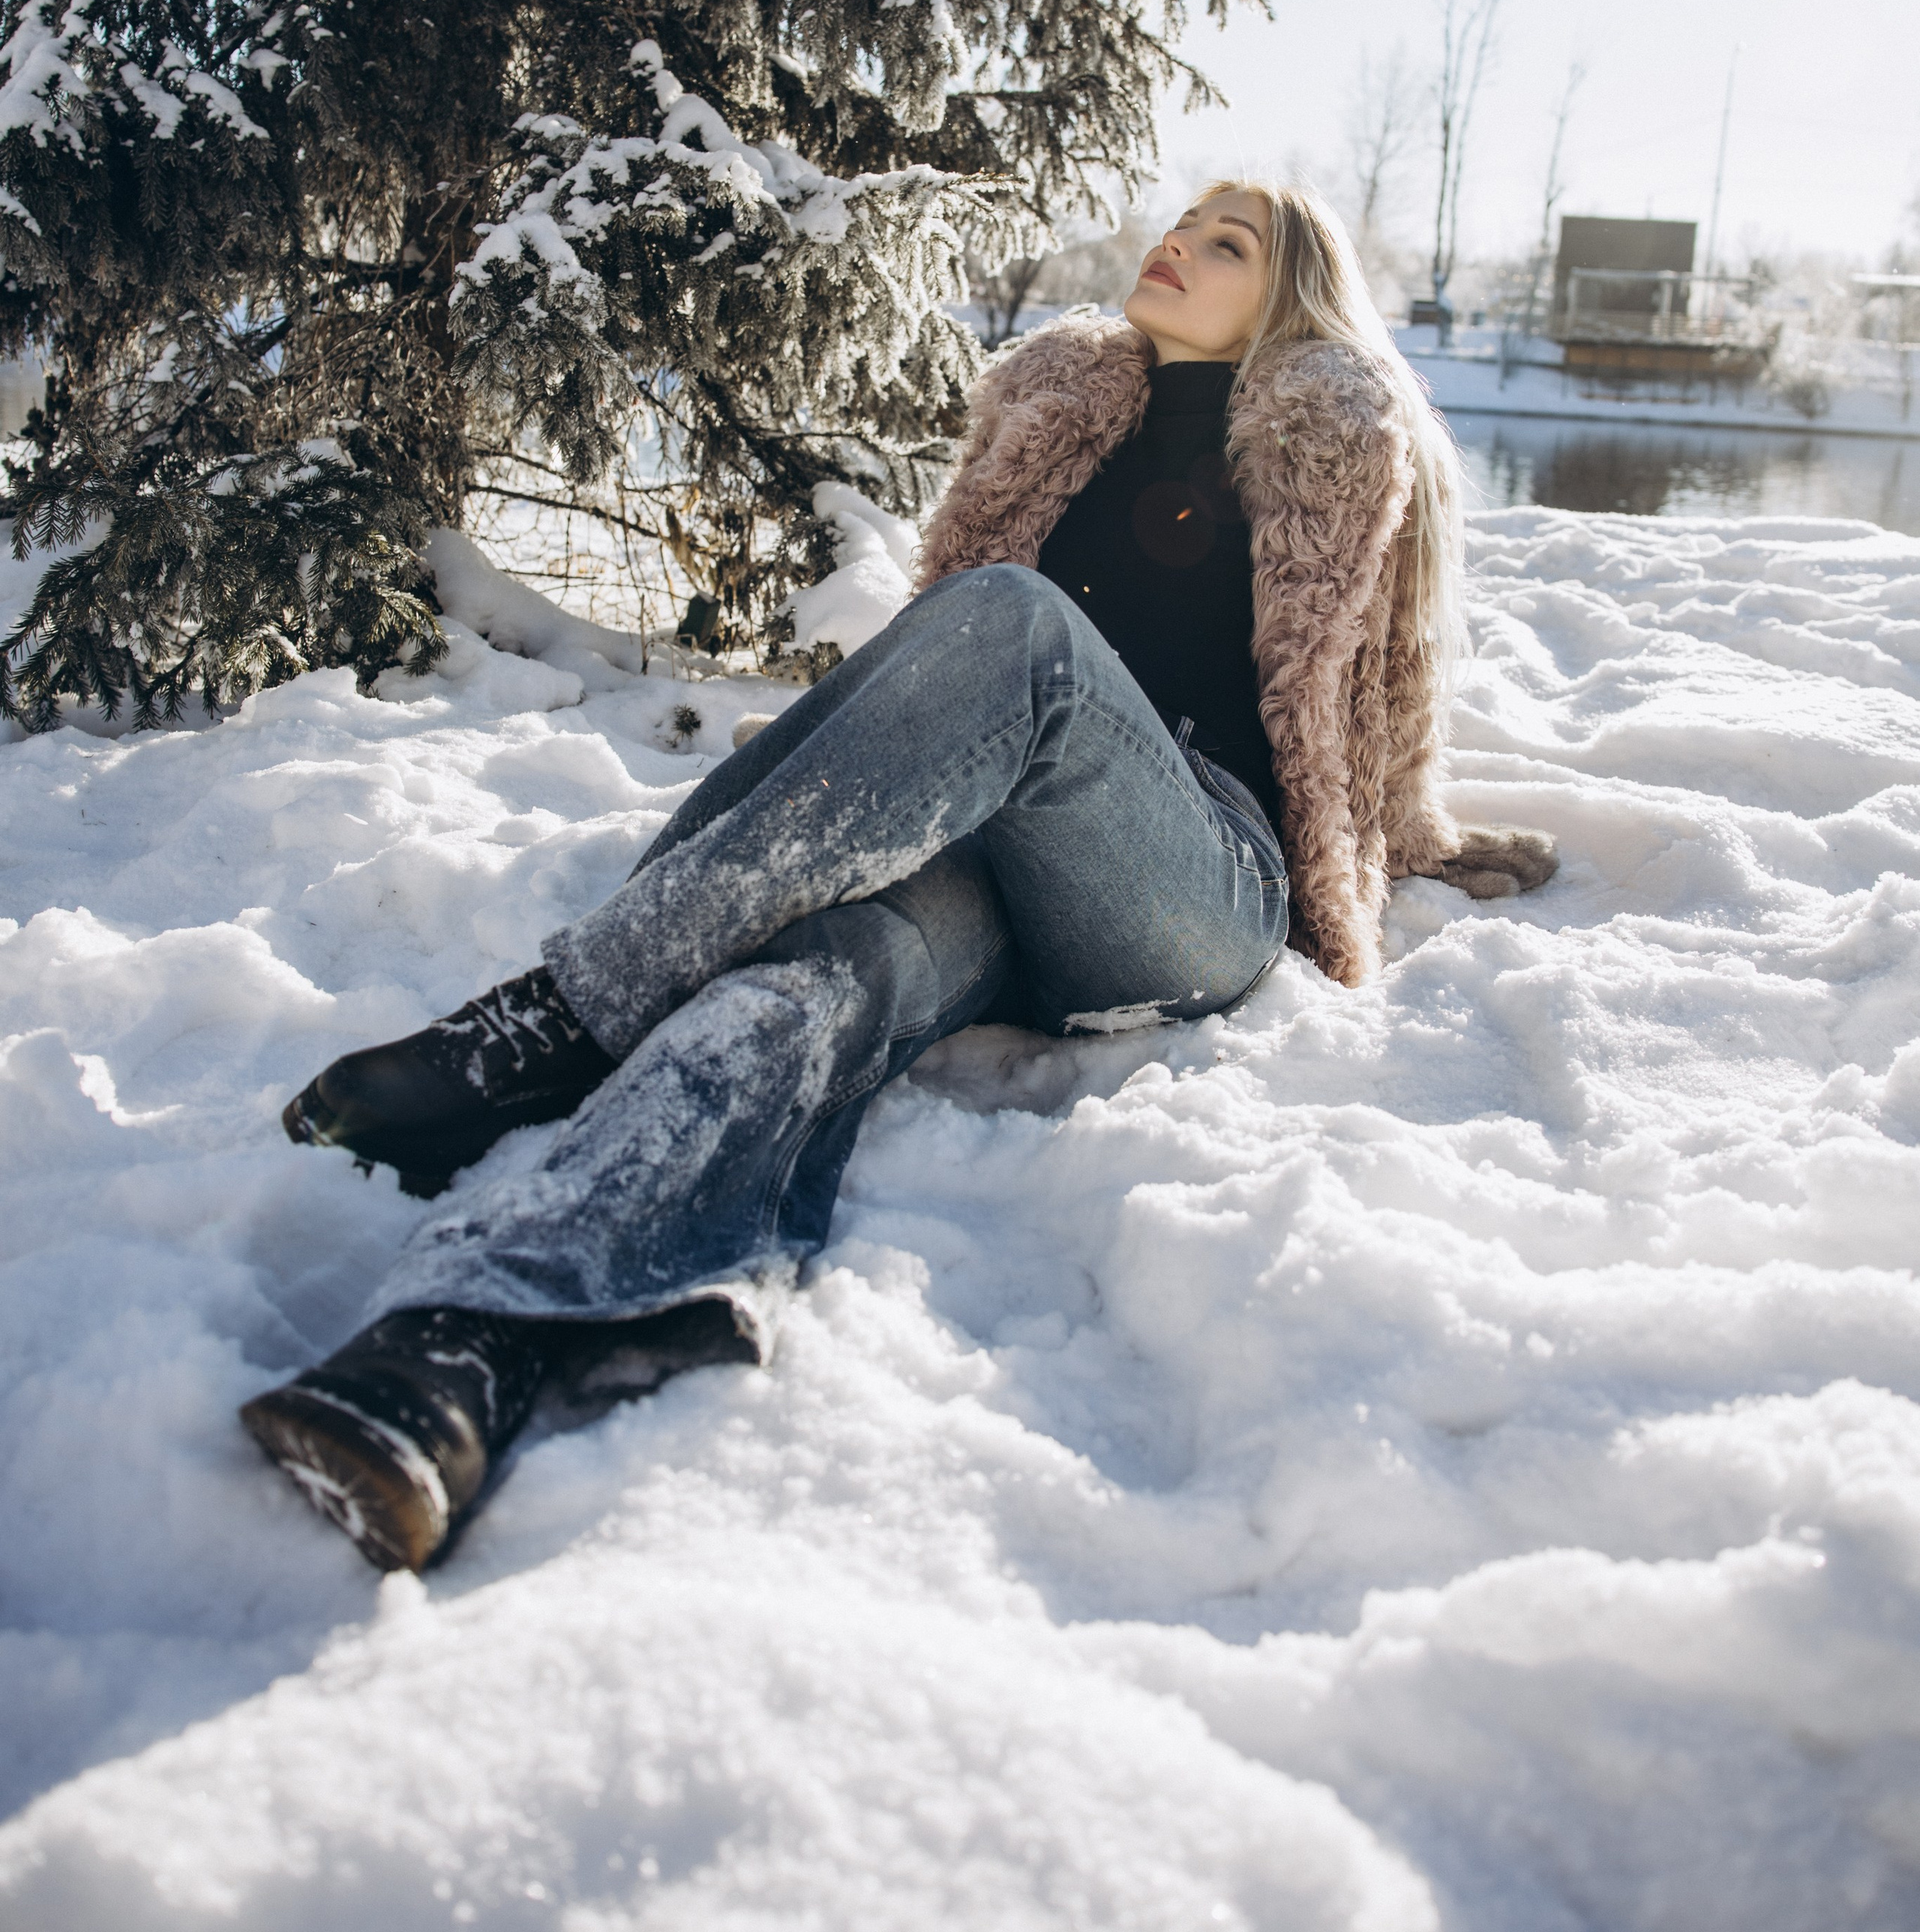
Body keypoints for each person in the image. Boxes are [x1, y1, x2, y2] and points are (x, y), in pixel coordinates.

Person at [241, 182, 1556, 1572]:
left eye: (1229, 243)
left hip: (1192, 885)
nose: (1179, 242)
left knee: (1012, 624)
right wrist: (849, 750)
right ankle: (455, 1355)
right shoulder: (1060, 413)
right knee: (808, 985)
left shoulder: (1341, 437)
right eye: (1183, 220)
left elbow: (1376, 706)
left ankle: (565, 1015)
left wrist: (1424, 846)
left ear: (1294, 295)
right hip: (989, 861)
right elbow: (948, 688)